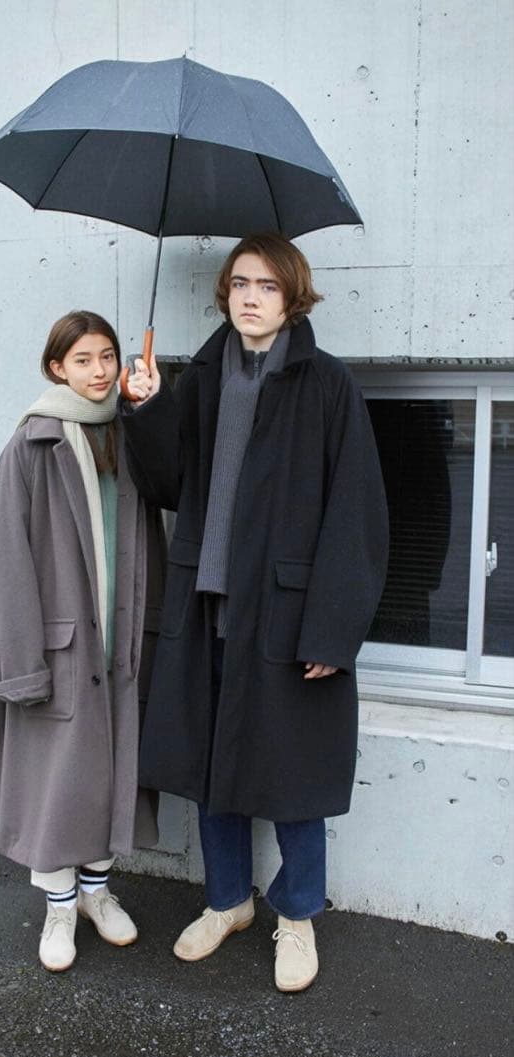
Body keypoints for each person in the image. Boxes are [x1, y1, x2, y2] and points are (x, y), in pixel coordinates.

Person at [120, 234, 389, 992]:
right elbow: (165, 483)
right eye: (240, 283)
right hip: (206, 607)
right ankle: (227, 900)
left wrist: (333, 628)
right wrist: (146, 407)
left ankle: (296, 917)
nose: (249, 298)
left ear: (291, 297)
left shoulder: (325, 384)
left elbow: (357, 512)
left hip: (286, 616)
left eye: (267, 286)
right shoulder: (203, 378)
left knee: (293, 777)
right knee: (214, 768)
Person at [0, 311, 165, 972]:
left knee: (110, 776)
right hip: (60, 650)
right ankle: (59, 908)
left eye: (107, 356)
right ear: (57, 367)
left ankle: (96, 894)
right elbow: (3, 563)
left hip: (122, 642)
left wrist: (149, 411)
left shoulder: (128, 435)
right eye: (82, 359)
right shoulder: (33, 445)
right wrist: (19, 664)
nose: (99, 370)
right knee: (56, 785)